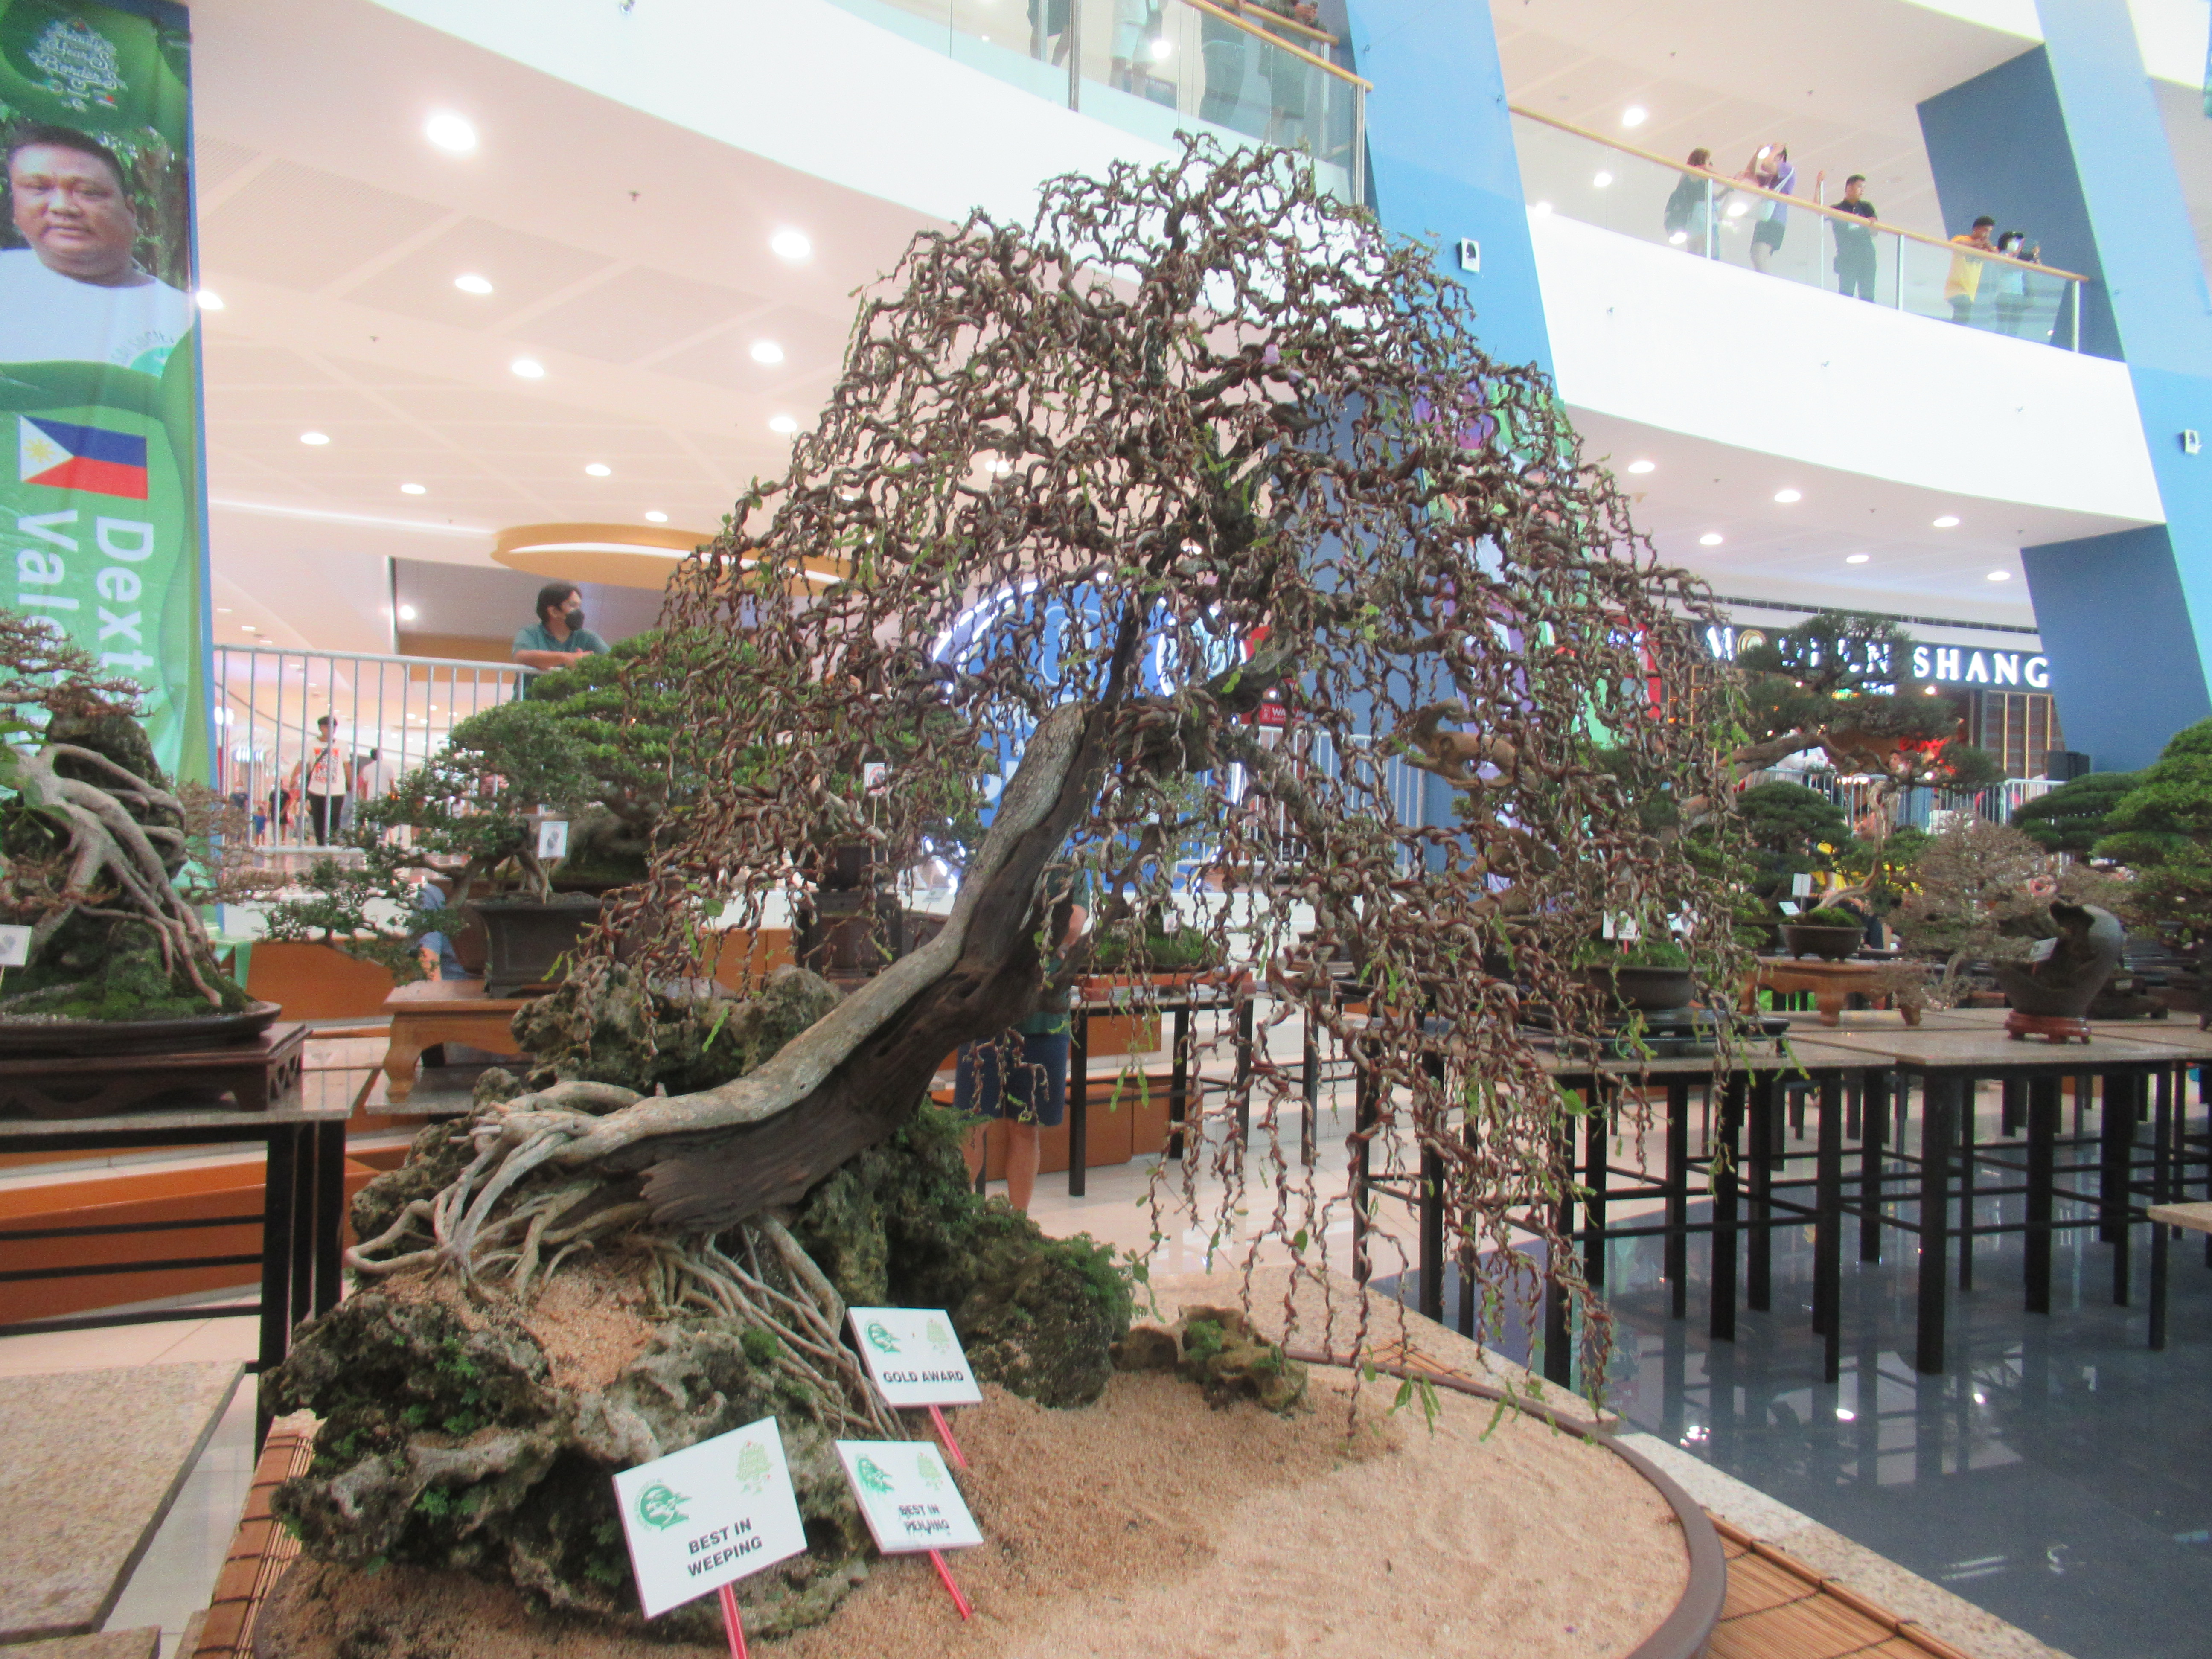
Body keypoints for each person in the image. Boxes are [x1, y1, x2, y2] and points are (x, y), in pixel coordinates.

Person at [0, 125, 194, 371]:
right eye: (39, 188)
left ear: (132, 212)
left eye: (88, 192)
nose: (62, 207)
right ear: (14, 210)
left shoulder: (183, 320)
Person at [959, 866, 1091, 1215]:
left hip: (1042, 1019)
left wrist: (1013, 931)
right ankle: (961, 1218)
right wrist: (1047, 935)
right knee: (972, 1124)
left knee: (1026, 1128)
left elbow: (1074, 927)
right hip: (982, 1014)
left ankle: (1018, 1220)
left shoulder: (1072, 869)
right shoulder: (996, 857)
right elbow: (975, 926)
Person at [511, 582, 610, 671]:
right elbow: (521, 657)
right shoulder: (530, 633)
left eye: (579, 606)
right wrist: (567, 658)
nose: (579, 612)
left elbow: (613, 660)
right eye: (572, 605)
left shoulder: (587, 637)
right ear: (554, 612)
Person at [287, 715, 351, 846]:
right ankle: (322, 844)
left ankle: (332, 843)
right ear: (321, 728)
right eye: (327, 727)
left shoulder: (342, 745)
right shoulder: (311, 745)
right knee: (319, 819)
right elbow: (303, 763)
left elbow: (347, 765)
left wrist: (350, 782)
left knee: (334, 819)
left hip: (337, 790)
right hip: (316, 789)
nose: (331, 730)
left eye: (333, 727)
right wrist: (293, 778)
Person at [1822, 172, 1880, 301]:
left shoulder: (1866, 207)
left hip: (1867, 256)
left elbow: (1875, 232)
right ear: (1849, 188)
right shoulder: (1837, 209)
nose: (1862, 191)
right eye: (1860, 187)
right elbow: (1818, 211)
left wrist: (1872, 224)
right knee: (1846, 293)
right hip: (1847, 257)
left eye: (1864, 188)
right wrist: (1818, 185)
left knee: (1868, 294)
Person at [1740, 143, 1795, 274]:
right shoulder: (1770, 179)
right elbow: (1749, 174)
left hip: (1775, 220)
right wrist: (1757, 154)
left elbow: (1766, 165)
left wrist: (1776, 149)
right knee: (1756, 255)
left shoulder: (1787, 169)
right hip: (1765, 219)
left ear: (1780, 157)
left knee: (1759, 255)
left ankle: (1767, 283)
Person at [1945, 215, 1997, 325]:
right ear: (1976, 229)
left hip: (1970, 292)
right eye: (1985, 231)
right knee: (1962, 316)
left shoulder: (1986, 248)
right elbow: (1956, 244)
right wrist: (1976, 244)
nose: (1987, 234)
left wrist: (1989, 247)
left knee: (1963, 319)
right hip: (1957, 288)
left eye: (1990, 232)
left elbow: (1997, 259)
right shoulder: (1962, 239)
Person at [1662, 149, 1714, 253]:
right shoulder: (1694, 172)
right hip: (1696, 213)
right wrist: (1729, 180)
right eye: (1708, 160)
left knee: (1695, 246)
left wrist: (1726, 191)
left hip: (1692, 214)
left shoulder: (1690, 175)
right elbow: (1706, 169)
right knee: (1702, 245)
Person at [1991, 230, 2041, 337]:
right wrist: (2016, 253)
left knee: (2014, 328)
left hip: (2019, 296)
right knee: (2002, 326)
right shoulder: (2000, 253)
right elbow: (2007, 266)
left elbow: (2038, 267)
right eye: (2013, 241)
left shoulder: (2021, 258)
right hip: (2004, 294)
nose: (2016, 243)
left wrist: (2035, 255)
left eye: (2018, 241)